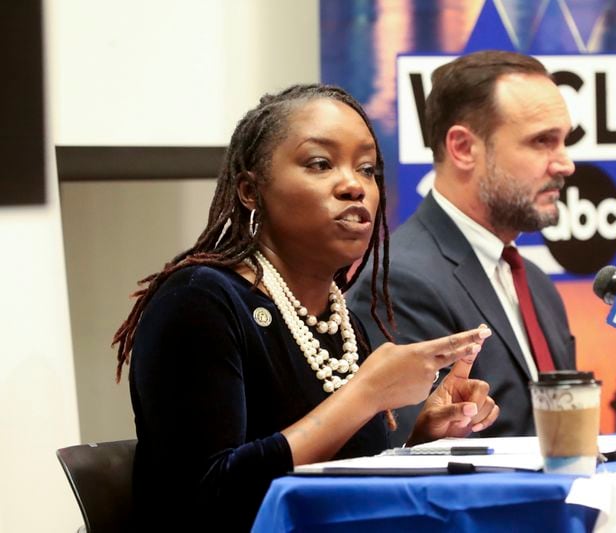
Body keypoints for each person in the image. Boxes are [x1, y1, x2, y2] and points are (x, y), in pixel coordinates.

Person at [112, 84, 499, 532]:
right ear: (250, 191)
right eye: (320, 163)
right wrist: (366, 394)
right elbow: (206, 499)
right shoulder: (199, 300)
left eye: (368, 169)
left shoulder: (340, 322)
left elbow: (338, 488)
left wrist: (421, 441)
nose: (355, 186)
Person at [349, 50, 576, 445]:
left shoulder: (536, 284)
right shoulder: (399, 282)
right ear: (463, 148)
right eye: (542, 142)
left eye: (563, 142)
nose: (565, 164)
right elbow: (412, 459)